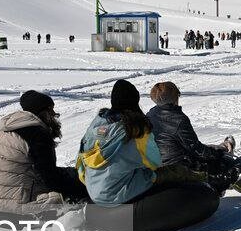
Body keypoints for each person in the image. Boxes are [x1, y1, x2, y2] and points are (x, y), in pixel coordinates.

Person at [75, 80, 207, 206]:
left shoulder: (96, 125)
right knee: (175, 172)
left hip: (94, 193)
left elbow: (80, 166)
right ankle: (207, 185)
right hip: (120, 193)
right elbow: (155, 163)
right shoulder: (136, 129)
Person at [0, 90, 88, 217]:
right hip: (8, 212)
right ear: (43, 112)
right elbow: (50, 178)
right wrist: (78, 178)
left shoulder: (9, 128)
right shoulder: (37, 134)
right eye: (50, 110)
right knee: (80, 186)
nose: (54, 114)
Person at [146, 81, 238, 183]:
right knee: (222, 161)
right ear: (176, 97)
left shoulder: (150, 114)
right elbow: (196, 149)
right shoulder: (178, 119)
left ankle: (223, 147)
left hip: (157, 164)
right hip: (180, 166)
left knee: (208, 149)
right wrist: (219, 154)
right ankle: (220, 178)